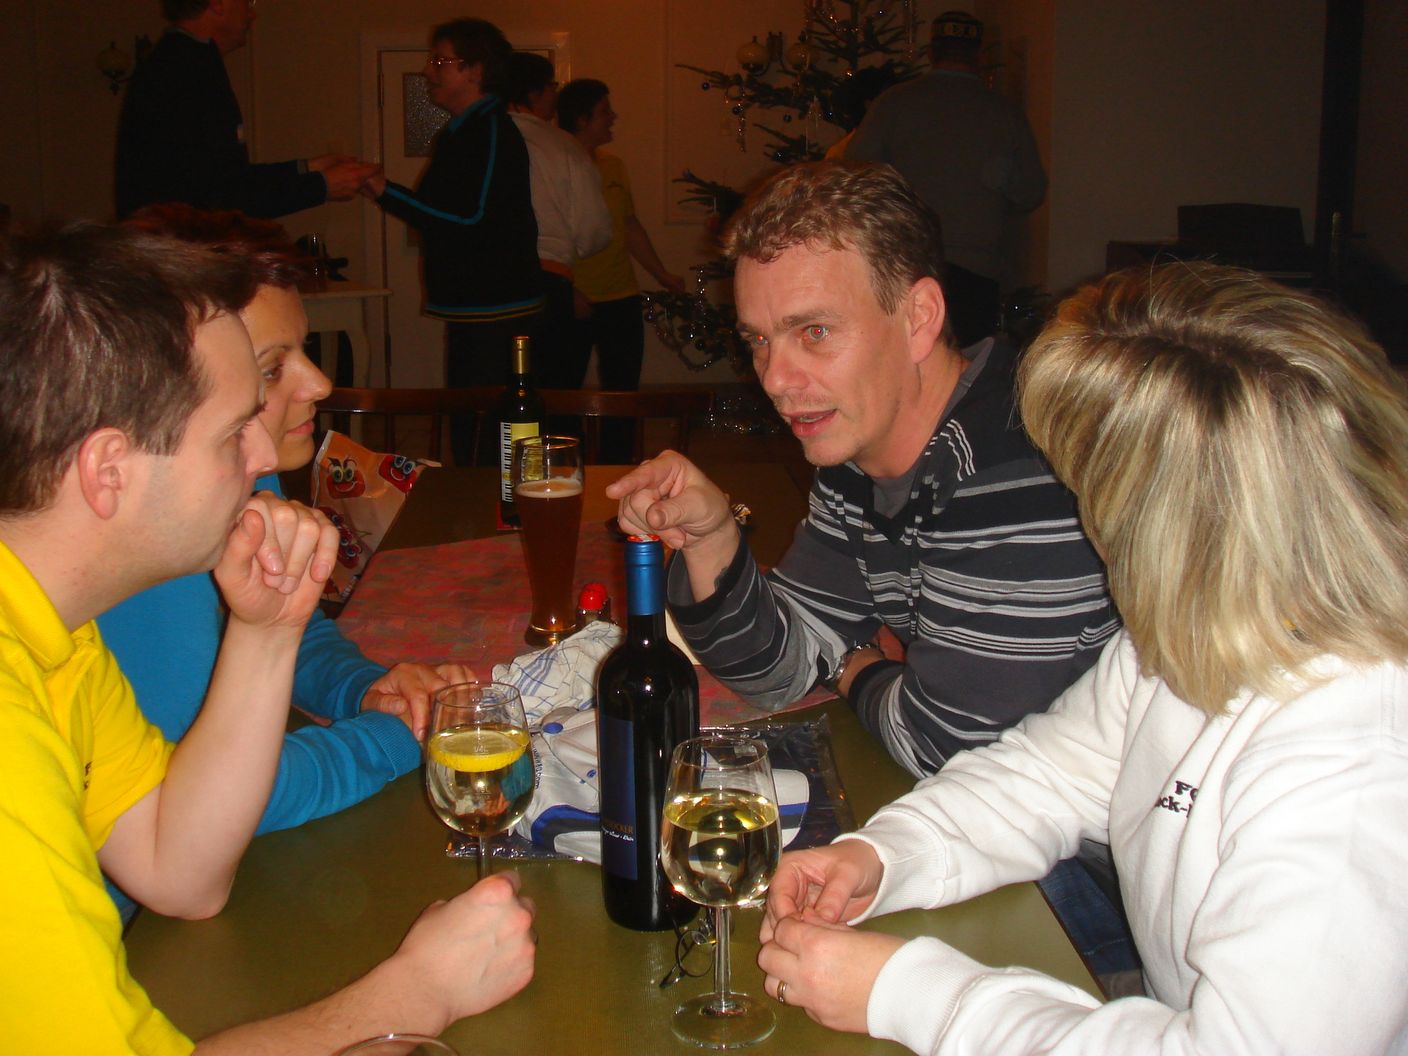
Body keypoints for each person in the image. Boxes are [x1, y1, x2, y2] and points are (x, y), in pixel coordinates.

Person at [756, 262, 1408, 1053]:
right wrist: (881, 856)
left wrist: (913, 994)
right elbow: (1051, 773)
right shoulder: (1201, 625)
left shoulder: (1358, 762)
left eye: (1087, 482)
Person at [0, 221, 536, 1054]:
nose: (261, 454)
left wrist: (270, 628)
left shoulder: (53, 636)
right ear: (109, 472)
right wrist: (413, 994)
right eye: (229, 434)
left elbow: (180, 870)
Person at [608, 160, 1115, 779]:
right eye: (758, 340)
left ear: (918, 317)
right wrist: (713, 539)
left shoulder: (1017, 469)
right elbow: (777, 670)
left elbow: (951, 749)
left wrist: (852, 664)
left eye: (815, 331)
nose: (774, 379)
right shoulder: (859, 452)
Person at [96, 205, 472, 924]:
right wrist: (397, 736)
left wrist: (367, 690)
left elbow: (282, 626)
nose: (319, 382)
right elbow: (213, 801)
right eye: (273, 367)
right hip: (133, 937)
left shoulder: (245, 467)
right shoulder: (158, 533)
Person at [364, 18, 543, 466]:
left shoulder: (490, 131)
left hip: (495, 309)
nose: (429, 71)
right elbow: (452, 214)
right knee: (475, 426)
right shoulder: (466, 131)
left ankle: (488, 503)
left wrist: (384, 190)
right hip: (480, 308)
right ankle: (480, 500)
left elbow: (469, 220)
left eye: (441, 61)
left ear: (475, 70)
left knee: (487, 432)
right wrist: (384, 191)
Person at [844, 10, 1046, 347]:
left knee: (906, 355)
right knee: (966, 362)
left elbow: (855, 175)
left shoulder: (895, 103)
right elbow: (1031, 192)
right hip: (976, 268)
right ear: (978, 55)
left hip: (907, 259)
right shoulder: (1003, 111)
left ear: (932, 52)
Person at [115, 0, 375, 218]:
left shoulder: (187, 60)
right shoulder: (182, 70)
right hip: (176, 255)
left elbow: (226, 177)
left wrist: (308, 168)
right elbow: (220, 197)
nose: (252, 14)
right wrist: (322, 186)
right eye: (247, 2)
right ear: (218, 3)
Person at [558, 79, 686, 461]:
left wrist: (662, 274)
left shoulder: (613, 166)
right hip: (575, 298)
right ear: (582, 119)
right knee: (564, 393)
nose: (613, 117)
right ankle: (566, 467)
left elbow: (628, 226)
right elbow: (544, 237)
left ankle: (616, 468)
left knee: (623, 392)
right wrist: (567, 291)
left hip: (621, 296)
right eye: (604, 112)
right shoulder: (556, 166)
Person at [504, 52, 612, 391]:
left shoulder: (483, 138)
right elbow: (593, 228)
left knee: (502, 383)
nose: (555, 94)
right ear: (534, 92)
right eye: (551, 86)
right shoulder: (562, 145)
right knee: (554, 386)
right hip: (547, 277)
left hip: (491, 282)